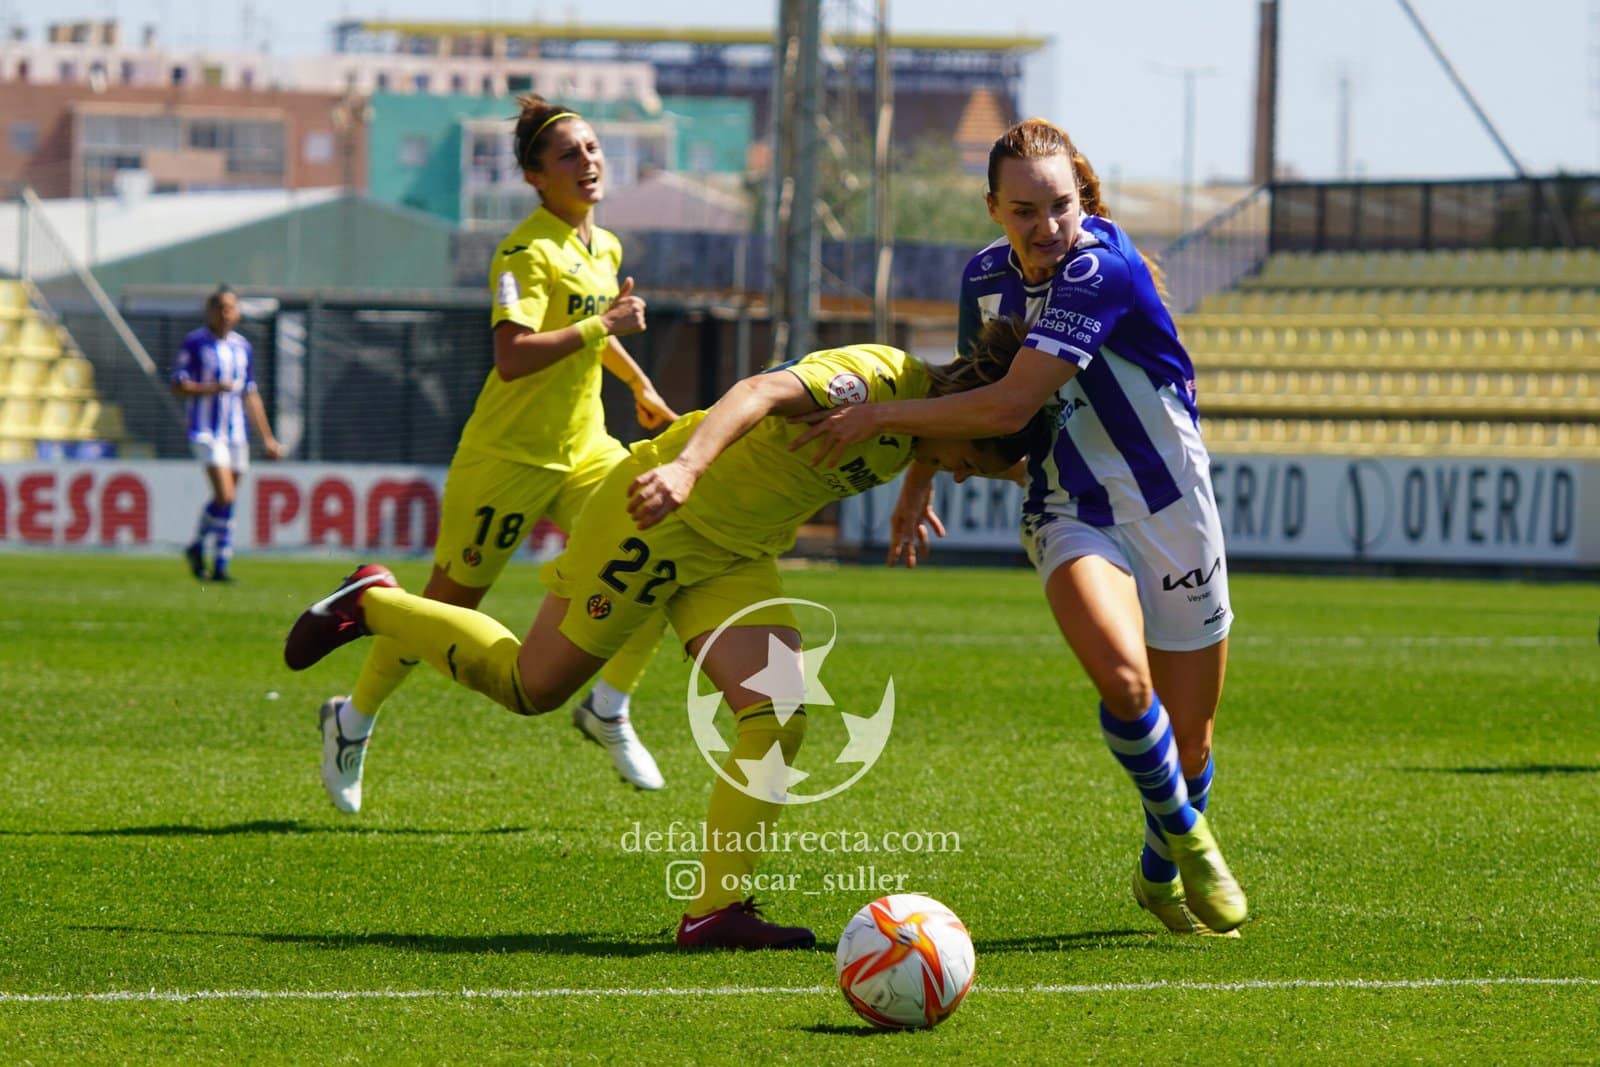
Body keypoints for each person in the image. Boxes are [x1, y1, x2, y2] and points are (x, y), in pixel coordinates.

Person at [285, 325, 1046, 949]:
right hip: (659, 516)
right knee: (531, 687)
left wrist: (924, 484)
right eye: (968, 464)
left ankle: (716, 911)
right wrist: (685, 467)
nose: (961, 473)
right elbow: (759, 391)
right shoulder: (877, 380)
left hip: (732, 552)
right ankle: (376, 601)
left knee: (779, 713)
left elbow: (952, 449)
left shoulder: (915, 431)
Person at [789, 118, 1248, 936]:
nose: (1047, 228)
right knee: (1122, 677)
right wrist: (918, 476)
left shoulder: (1101, 267)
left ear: (1081, 197)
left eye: (1061, 207)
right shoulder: (984, 277)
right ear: (995, 207)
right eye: (1026, 211)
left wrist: (880, 419)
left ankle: (1155, 875)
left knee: (1194, 742)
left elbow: (1008, 403)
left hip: (1172, 505)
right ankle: (1188, 836)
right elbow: (976, 379)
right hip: (1067, 506)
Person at [314, 96, 681, 815]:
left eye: (593, 148)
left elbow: (594, 336)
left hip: (583, 450)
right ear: (534, 177)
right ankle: (350, 719)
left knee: (662, 543)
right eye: (569, 154)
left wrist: (642, 386)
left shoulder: (602, 247)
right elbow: (512, 357)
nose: (588, 162)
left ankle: (608, 704)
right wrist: (603, 323)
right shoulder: (524, 251)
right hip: (507, 458)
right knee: (446, 610)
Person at [171, 284, 284, 583]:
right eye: (219, 308)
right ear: (210, 311)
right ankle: (217, 559)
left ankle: (206, 554)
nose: (225, 313)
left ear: (237, 312)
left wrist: (268, 438)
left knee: (227, 500)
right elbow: (179, 385)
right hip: (206, 430)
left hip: (236, 433)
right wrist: (212, 388)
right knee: (225, 494)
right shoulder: (195, 343)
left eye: (230, 308)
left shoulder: (242, 347)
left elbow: (251, 395)